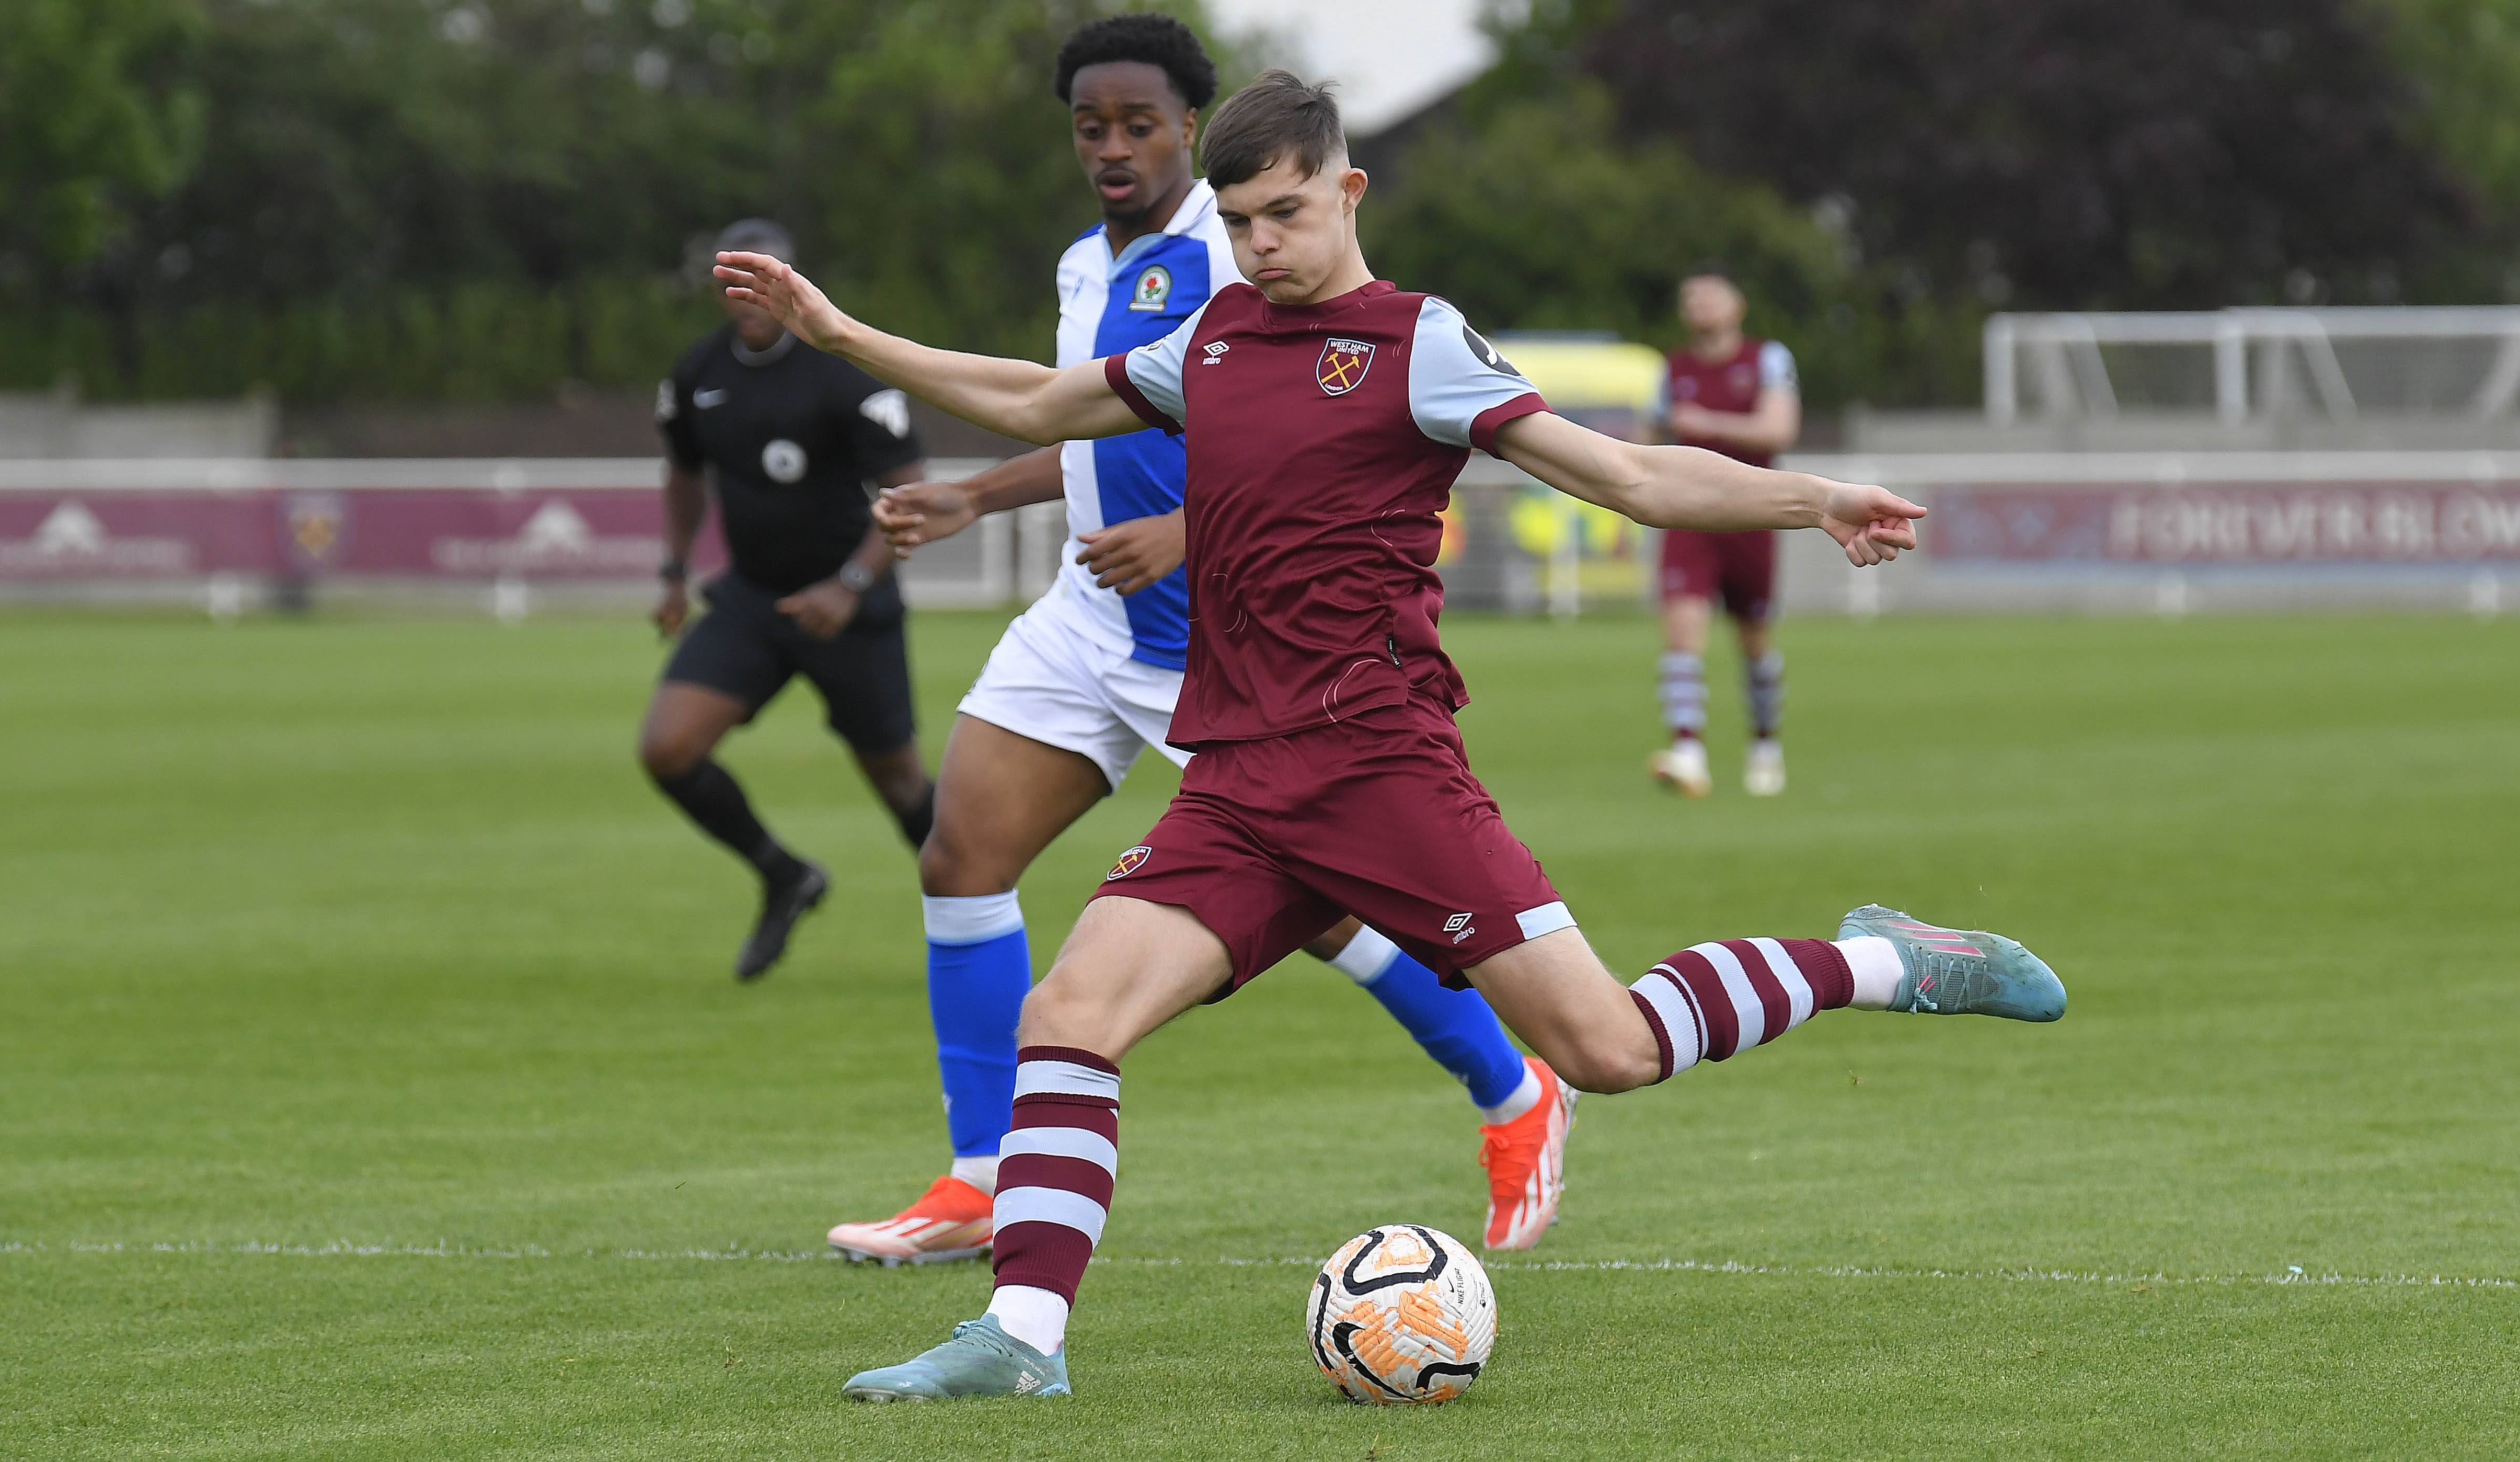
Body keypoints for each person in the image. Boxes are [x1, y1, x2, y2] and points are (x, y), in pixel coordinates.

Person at [714, 71, 2066, 1404]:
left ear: (1347, 190)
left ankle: (1882, 958)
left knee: (1610, 1049)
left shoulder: (1417, 342)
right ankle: (1021, 1335)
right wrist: (836, 330)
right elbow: (1028, 402)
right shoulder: (1216, 339)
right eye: (1239, 221)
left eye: (1285, 214)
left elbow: (1632, 476)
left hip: (1380, 772)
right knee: (1068, 1015)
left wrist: (1815, 496)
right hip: (1239, 787)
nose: (1258, 247)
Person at [823, 14, 1571, 1271]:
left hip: (1228, 637)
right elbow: (1091, 418)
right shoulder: (1083, 265)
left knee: (1320, 905)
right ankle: (982, 1177)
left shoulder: (1246, 253)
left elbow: (1289, 436)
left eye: (1140, 125)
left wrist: (1184, 530)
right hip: (1089, 613)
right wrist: (977, 496)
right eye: (1090, 127)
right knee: (962, 853)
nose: (1113, 148)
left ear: (1191, 127)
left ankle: (1515, 1089)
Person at [640, 218, 936, 981]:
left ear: (791, 282)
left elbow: (908, 491)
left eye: (762, 279)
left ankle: (974, 919)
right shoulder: (696, 375)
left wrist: (849, 585)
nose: (749, 297)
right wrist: (674, 571)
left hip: (850, 604)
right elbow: (682, 473)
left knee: (902, 785)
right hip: (755, 601)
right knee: (668, 749)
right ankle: (783, 874)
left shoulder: (841, 370)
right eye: (733, 281)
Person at [1647, 266, 1803, 798]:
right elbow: (1646, 435)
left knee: (1754, 643)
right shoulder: (1672, 369)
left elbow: (1778, 429)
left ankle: (1764, 744)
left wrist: (1707, 424)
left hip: (1750, 515)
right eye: (1689, 297)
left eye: (1710, 295)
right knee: (1681, 633)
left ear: (1736, 306)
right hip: (1688, 515)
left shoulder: (1767, 359)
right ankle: (1687, 749)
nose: (1699, 305)